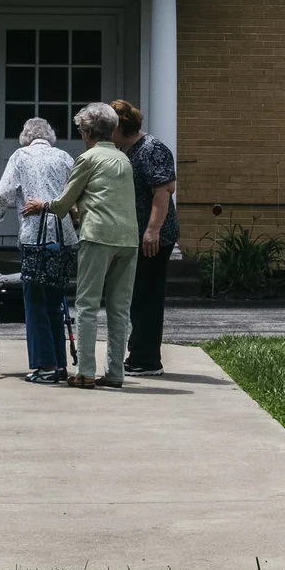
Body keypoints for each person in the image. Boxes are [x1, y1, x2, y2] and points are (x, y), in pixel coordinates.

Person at [25, 101, 137, 387]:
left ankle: (85, 371)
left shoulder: (88, 159)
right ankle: (115, 373)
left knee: (87, 305)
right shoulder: (124, 159)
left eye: (81, 130)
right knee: (119, 308)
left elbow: (63, 204)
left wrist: (42, 204)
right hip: (128, 239)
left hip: (98, 237)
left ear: (88, 131)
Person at [0, 116, 73, 384]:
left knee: (34, 301)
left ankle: (44, 365)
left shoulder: (20, 156)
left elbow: (3, 194)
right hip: (65, 237)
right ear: (50, 136)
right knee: (55, 302)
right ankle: (58, 364)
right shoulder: (65, 157)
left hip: (36, 237)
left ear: (25, 137)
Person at [110, 99, 177, 375]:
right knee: (137, 295)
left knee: (147, 296)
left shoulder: (151, 149)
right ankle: (138, 352)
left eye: (108, 128)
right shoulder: (126, 149)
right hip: (136, 236)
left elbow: (164, 190)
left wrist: (152, 230)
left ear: (121, 126)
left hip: (152, 237)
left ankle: (147, 360)